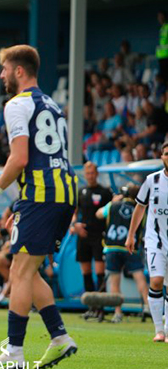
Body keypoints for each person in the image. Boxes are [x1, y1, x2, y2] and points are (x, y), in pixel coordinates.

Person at [0, 45, 78, 368]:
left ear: (19, 71)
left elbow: (19, 158)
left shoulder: (16, 104)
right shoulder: (52, 104)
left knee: (19, 271)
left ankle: (14, 354)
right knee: (27, 269)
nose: (2, 75)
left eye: (5, 69)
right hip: (63, 191)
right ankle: (59, 338)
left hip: (42, 193)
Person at [125, 142, 168, 342]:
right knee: (156, 281)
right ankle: (159, 330)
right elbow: (140, 207)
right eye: (166, 154)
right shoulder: (152, 180)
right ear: (162, 157)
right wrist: (131, 235)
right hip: (155, 240)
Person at [95, 184, 148, 324]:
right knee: (139, 277)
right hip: (131, 247)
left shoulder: (113, 205)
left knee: (114, 281)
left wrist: (112, 202)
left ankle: (118, 313)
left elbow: (98, 214)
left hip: (112, 247)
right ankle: (149, 307)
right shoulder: (140, 209)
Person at [73, 161, 112, 318]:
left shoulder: (105, 192)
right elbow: (74, 212)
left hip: (99, 236)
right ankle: (91, 307)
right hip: (84, 236)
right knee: (86, 271)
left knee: (100, 271)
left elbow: (110, 213)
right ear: (85, 174)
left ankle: (101, 308)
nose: (90, 176)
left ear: (97, 174)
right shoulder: (81, 192)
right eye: (87, 173)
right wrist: (75, 225)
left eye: (92, 173)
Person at [157, 11, 168, 80]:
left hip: (167, 56)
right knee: (163, 77)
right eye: (158, 17)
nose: (159, 18)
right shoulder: (161, 28)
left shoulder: (167, 27)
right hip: (161, 56)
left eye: (161, 16)